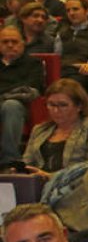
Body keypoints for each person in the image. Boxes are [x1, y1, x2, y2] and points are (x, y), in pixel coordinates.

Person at [23, 78, 88, 179]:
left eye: (63, 105)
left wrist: (51, 177)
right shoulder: (39, 129)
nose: (56, 110)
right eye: (51, 105)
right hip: (39, 185)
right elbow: (27, 163)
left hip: (79, 186)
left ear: (79, 106)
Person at [0, 26, 46, 164]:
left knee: (11, 106)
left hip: (21, 106)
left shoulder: (33, 64)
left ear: (23, 43)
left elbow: (29, 90)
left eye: (14, 42)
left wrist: (4, 95)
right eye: (5, 42)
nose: (10, 45)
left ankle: (10, 160)